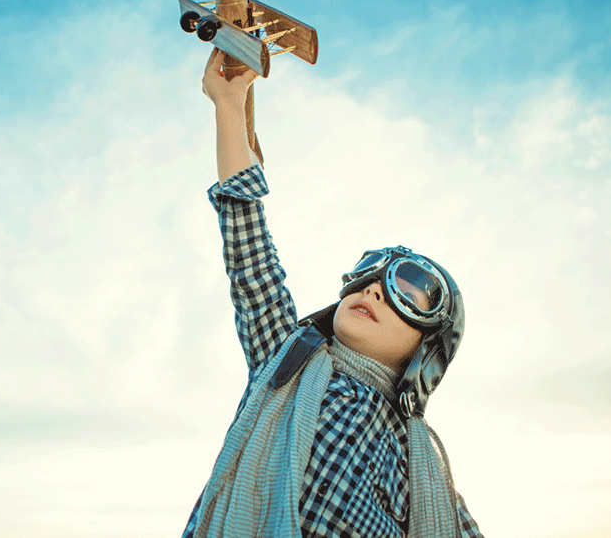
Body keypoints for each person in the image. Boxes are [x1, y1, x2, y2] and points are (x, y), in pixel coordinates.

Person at [181, 48, 484, 538]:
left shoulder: (416, 461)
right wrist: (229, 104)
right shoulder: (285, 361)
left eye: (408, 289)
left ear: (427, 350)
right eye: (366, 274)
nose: (374, 290)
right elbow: (249, 247)